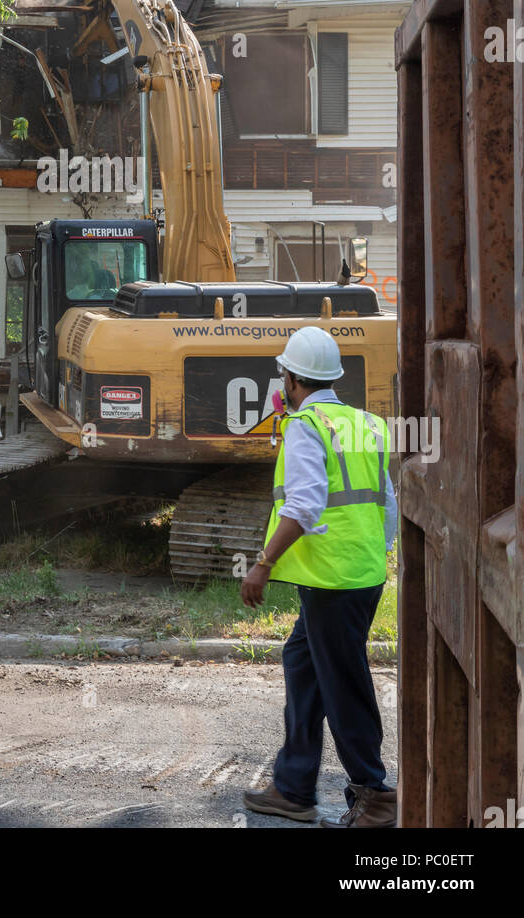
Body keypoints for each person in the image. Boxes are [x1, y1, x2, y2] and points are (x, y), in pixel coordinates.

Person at [240, 326, 398, 829]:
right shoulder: (367, 424)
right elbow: (387, 506)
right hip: (359, 574)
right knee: (303, 665)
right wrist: (377, 552)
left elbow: (304, 505)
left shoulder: (307, 425)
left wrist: (262, 565)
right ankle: (292, 788)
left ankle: (375, 795)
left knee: (343, 684)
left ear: (291, 377)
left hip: (332, 582)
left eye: (283, 374)